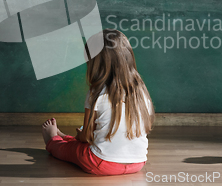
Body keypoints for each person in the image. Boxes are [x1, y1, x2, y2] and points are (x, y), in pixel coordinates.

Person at [41, 28, 155, 175]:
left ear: (95, 65)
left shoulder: (96, 94)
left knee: (70, 150)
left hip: (101, 163)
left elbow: (87, 137)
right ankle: (64, 136)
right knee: (85, 143)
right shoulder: (141, 93)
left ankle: (53, 140)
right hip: (137, 162)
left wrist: (80, 135)